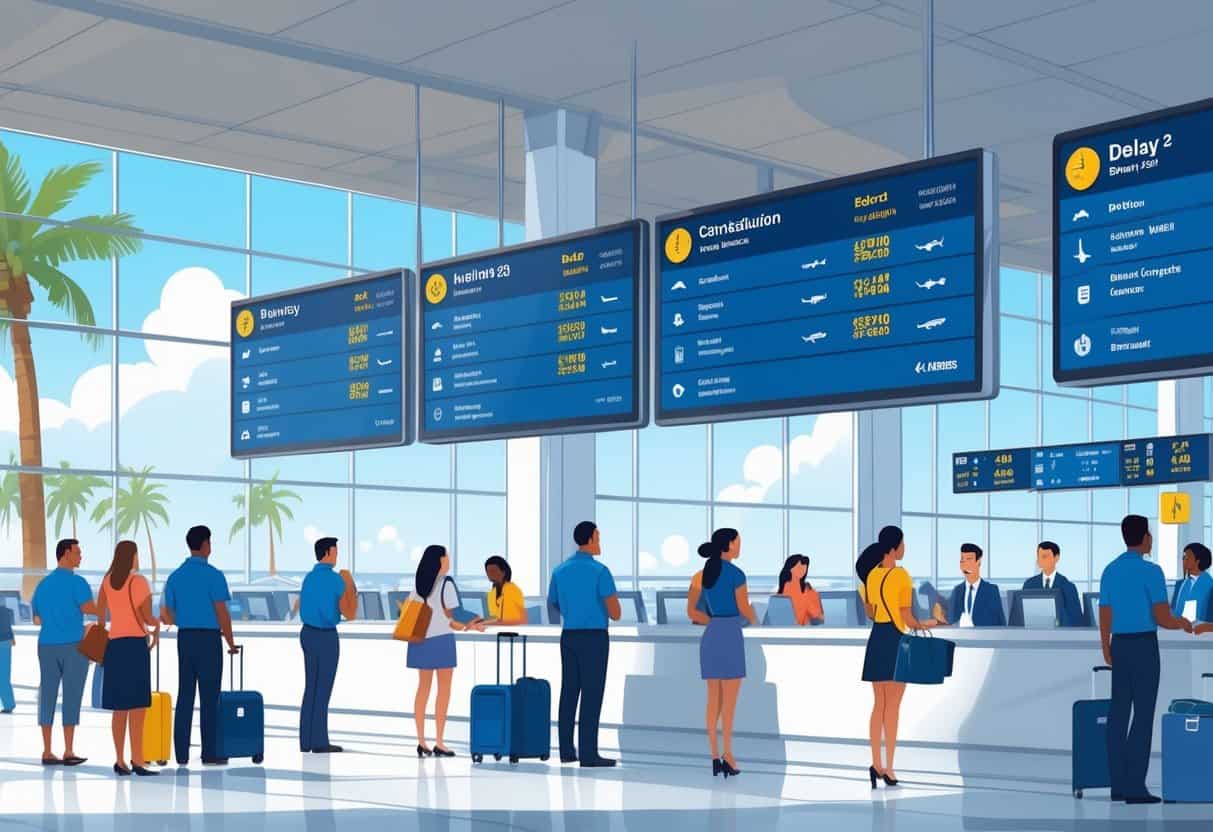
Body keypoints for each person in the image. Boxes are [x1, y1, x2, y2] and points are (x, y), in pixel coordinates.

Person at [1099, 514, 1192, 805]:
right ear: (1144, 538)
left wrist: (1105, 647)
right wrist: (1184, 623)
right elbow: (1162, 617)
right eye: (1150, 534)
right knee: (1142, 716)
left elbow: (1105, 614)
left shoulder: (1110, 570)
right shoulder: (1151, 572)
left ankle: (1117, 786)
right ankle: (1135, 788)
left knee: (1118, 714)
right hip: (1143, 647)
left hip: (1119, 645)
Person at [858, 525, 938, 789]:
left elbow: (870, 612)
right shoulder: (902, 576)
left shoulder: (871, 577)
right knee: (893, 707)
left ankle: (875, 764)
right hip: (894, 640)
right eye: (903, 544)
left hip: (876, 638)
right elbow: (906, 617)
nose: (905, 548)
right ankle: (889, 768)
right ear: (894, 548)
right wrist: (927, 623)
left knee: (877, 705)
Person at [161, 525, 239, 767]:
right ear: (206, 544)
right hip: (208, 640)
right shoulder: (214, 575)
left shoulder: (175, 576)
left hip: (185, 639)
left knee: (185, 695)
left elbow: (165, 613)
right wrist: (230, 641)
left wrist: (183, 619)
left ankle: (182, 754)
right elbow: (222, 613)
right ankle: (210, 752)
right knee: (209, 697)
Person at [548, 520, 621, 768]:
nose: (599, 542)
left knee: (569, 692)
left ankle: (567, 751)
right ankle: (589, 754)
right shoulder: (601, 572)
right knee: (592, 694)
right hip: (594, 638)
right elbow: (616, 612)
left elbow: (554, 602)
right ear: (589, 539)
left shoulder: (559, 571)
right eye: (598, 537)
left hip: (569, 636)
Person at [687, 528, 757, 779]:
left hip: (711, 636)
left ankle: (714, 757)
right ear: (728, 545)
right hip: (730, 636)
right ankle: (729, 754)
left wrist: (713, 620)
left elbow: (693, 613)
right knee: (729, 704)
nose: (740, 547)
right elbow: (744, 610)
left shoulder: (699, 575)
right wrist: (755, 616)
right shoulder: (737, 574)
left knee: (712, 701)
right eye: (738, 543)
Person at [408, 544, 483, 758]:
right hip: (441, 641)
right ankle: (439, 741)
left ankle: (421, 741)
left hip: (420, 639)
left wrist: (467, 625)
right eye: (447, 556)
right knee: (443, 691)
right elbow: (454, 615)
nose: (449, 560)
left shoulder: (419, 585)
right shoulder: (446, 584)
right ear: (440, 560)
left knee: (423, 689)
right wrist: (474, 622)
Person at [95, 540, 158, 776]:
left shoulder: (107, 581)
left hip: (114, 647)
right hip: (134, 647)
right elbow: (146, 616)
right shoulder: (138, 581)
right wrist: (157, 623)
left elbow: (101, 613)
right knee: (138, 706)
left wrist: (104, 629)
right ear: (132, 556)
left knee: (119, 708)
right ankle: (138, 760)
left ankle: (120, 760)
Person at [31, 538, 94, 766]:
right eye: (77, 552)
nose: (80, 556)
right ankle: (68, 750)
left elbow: (37, 619)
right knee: (72, 695)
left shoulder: (42, 585)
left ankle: (47, 751)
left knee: (47, 694)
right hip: (74, 645)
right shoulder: (79, 583)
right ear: (66, 553)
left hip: (46, 645)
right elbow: (91, 609)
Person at [299, 536, 358, 754]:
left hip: (307, 634)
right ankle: (320, 741)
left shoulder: (308, 578)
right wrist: (350, 583)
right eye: (335, 551)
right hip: (326, 636)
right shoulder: (336, 580)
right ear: (328, 553)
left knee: (310, 687)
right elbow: (350, 613)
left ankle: (306, 741)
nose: (337, 555)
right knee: (323, 689)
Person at [1022, 541, 1083, 627]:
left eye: (1045, 557)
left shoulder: (1068, 587)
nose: (1040, 560)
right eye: (1039, 557)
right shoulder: (1029, 585)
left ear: (1056, 558)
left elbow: (1076, 620)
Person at [946, 543, 1005, 627]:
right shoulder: (957, 591)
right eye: (962, 561)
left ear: (978, 562)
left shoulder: (991, 591)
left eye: (969, 560)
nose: (965, 566)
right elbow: (951, 621)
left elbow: (1001, 625)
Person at [1173, 542, 1213, 625]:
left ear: (1197, 561)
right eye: (1183, 557)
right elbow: (1174, 612)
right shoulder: (1179, 584)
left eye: (1187, 557)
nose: (1184, 560)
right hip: (1177, 631)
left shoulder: (1210, 585)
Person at [777, 554, 824, 626]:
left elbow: (819, 618)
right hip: (787, 629)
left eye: (804, 568)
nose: (803, 570)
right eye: (799, 567)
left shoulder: (808, 591)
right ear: (790, 568)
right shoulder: (784, 589)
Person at [483, 555, 527, 625]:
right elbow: (494, 618)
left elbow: (506, 620)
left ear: (503, 572)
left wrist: (483, 623)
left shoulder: (511, 590)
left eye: (493, 571)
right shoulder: (492, 593)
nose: (490, 574)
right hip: (499, 629)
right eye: (488, 571)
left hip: (515, 629)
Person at [0, 602, 14, 714]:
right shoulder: (4, 610)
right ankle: (9, 704)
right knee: (4, 676)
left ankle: (9, 704)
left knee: (3, 677)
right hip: (6, 643)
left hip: (3, 642)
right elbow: (8, 626)